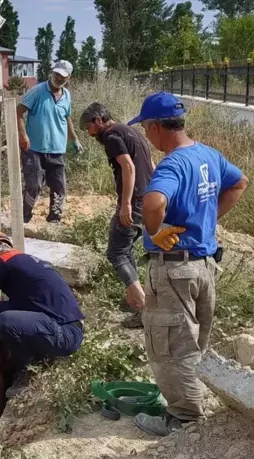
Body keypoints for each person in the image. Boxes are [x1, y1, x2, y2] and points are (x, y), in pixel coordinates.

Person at [127, 92, 248, 436]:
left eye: (146, 129)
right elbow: (240, 182)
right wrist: (209, 222)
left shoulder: (173, 163)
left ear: (154, 127)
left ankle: (183, 419)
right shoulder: (208, 154)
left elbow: (153, 201)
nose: (147, 136)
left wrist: (156, 229)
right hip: (205, 266)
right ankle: (193, 406)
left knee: (170, 348)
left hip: (175, 270)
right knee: (194, 343)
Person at [0, 231, 85, 397]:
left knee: (6, 320)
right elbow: (23, 306)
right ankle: (31, 353)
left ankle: (26, 372)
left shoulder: (1, 261)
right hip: (64, 327)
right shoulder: (26, 263)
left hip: (65, 335)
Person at [79, 102, 155, 329]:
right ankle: (133, 298)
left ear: (98, 120)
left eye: (88, 127)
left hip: (136, 200)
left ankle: (145, 309)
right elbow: (151, 164)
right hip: (149, 197)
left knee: (116, 253)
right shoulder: (131, 131)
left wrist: (126, 204)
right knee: (126, 248)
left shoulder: (111, 136)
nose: (89, 133)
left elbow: (128, 167)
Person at [17, 60, 85, 224]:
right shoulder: (38, 91)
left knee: (59, 186)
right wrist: (22, 136)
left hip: (57, 149)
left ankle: (54, 220)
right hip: (34, 148)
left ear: (68, 78)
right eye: (56, 74)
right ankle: (23, 218)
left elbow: (66, 118)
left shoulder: (67, 95)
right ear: (52, 73)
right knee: (33, 185)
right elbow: (18, 111)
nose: (58, 78)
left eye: (62, 76)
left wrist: (74, 140)